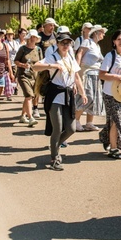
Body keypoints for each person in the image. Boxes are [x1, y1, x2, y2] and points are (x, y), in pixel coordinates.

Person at [33, 31, 86, 171]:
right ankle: (55, 158)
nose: (65, 45)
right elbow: (36, 66)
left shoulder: (70, 57)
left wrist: (83, 92)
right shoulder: (52, 57)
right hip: (55, 95)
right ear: (57, 43)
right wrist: (52, 66)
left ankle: (54, 145)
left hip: (68, 95)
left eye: (68, 43)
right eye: (63, 43)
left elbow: (76, 77)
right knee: (57, 127)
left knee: (71, 128)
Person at [98, 29, 121, 158]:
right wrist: (115, 76)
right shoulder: (110, 56)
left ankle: (105, 136)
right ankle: (114, 149)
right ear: (114, 42)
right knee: (116, 120)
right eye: (119, 39)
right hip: (110, 93)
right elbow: (101, 75)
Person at [76, 25, 107, 131]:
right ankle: (76, 120)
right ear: (96, 33)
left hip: (96, 74)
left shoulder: (97, 46)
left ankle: (89, 123)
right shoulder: (87, 42)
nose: (104, 34)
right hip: (86, 73)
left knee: (94, 98)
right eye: (102, 32)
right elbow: (79, 54)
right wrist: (77, 70)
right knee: (86, 97)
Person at [14, 30, 43, 126]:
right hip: (23, 76)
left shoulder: (38, 49)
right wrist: (22, 65)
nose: (33, 39)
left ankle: (23, 116)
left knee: (29, 97)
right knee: (29, 96)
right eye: (31, 37)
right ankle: (30, 117)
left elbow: (41, 62)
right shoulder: (22, 49)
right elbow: (16, 61)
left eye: (34, 37)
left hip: (34, 76)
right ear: (28, 38)